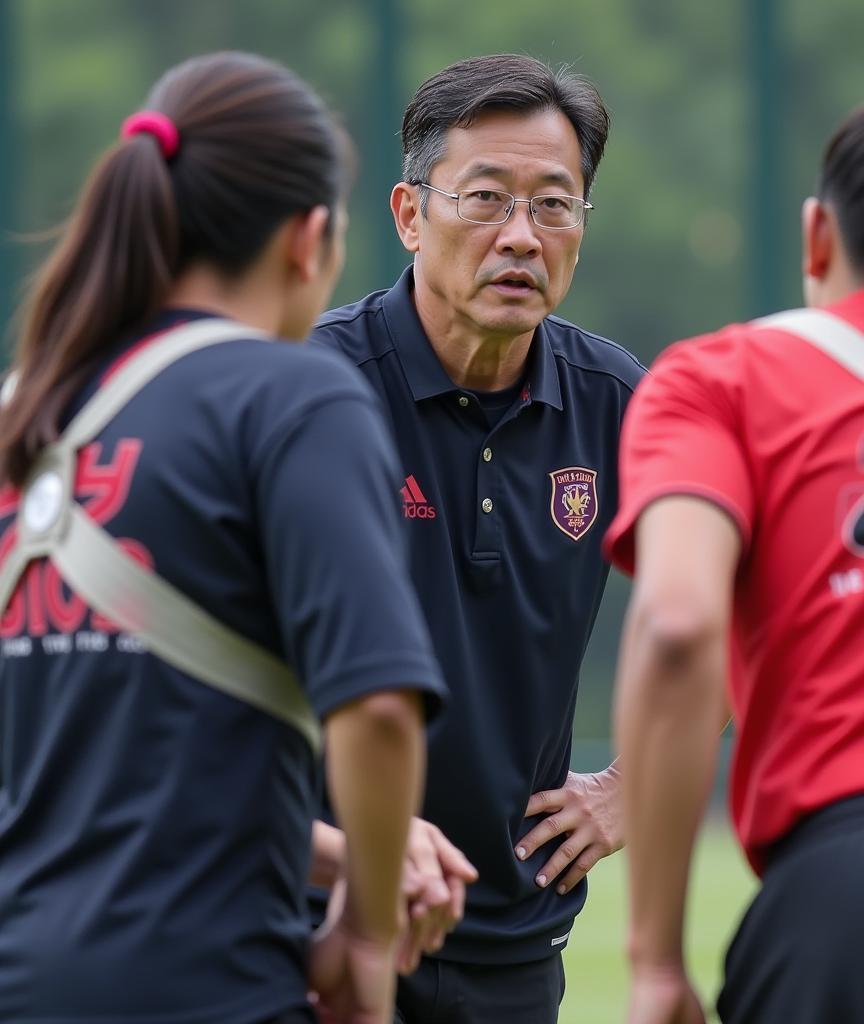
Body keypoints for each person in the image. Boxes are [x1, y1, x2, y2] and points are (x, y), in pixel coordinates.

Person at [0, 51, 451, 1024]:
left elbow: (88, 784)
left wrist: (331, 848)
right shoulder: (290, 395)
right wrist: (367, 935)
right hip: (208, 987)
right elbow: (375, 709)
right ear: (310, 240)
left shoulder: (25, 418)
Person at [606, 9, 864, 1024]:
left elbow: (675, 625)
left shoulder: (721, 379)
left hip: (855, 903)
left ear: (816, 236)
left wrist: (655, 957)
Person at [311, 53, 644, 1023]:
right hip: (320, 913)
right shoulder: (313, 386)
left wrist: (630, 787)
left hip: (514, 932)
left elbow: (742, 610)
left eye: (554, 205)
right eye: (486, 199)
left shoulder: (619, 401)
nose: (519, 237)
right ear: (410, 215)